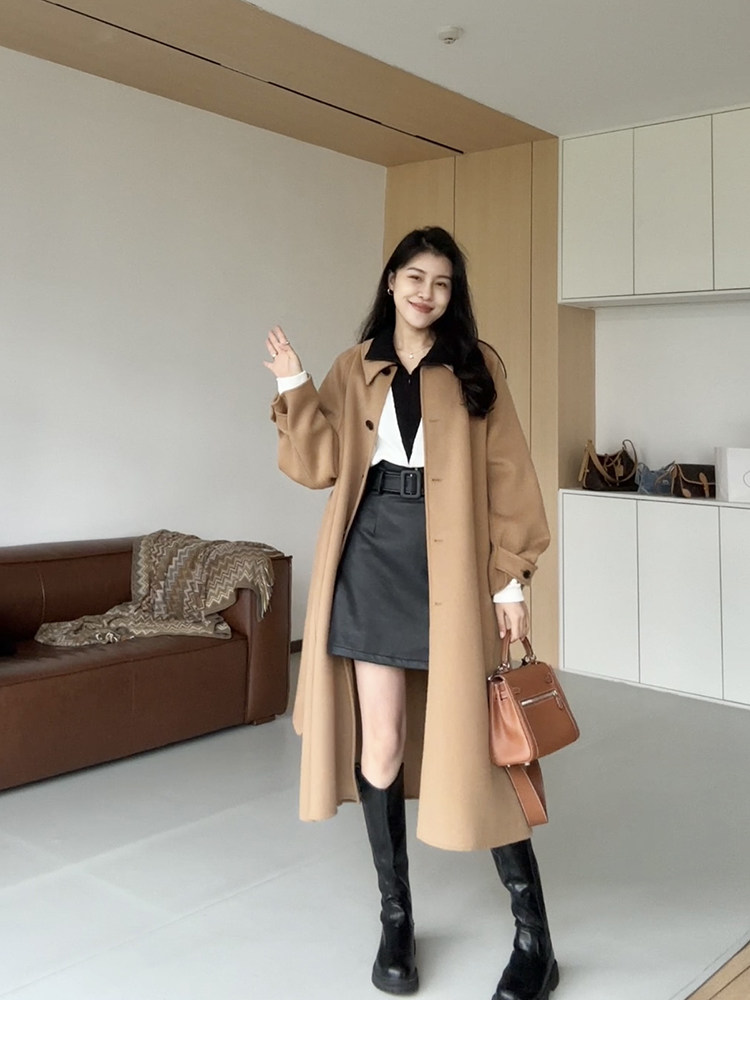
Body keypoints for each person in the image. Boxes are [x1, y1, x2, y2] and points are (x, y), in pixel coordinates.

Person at [265, 226, 556, 1000]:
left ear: (452, 296)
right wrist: (295, 386)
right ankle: (396, 919)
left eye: (442, 283)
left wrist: (509, 583)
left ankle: (535, 936)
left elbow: (510, 473)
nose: (427, 293)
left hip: (451, 562)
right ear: (391, 282)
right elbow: (320, 465)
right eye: (415, 278)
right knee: (384, 742)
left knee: (482, 745)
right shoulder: (354, 366)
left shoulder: (476, 365)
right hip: (369, 560)